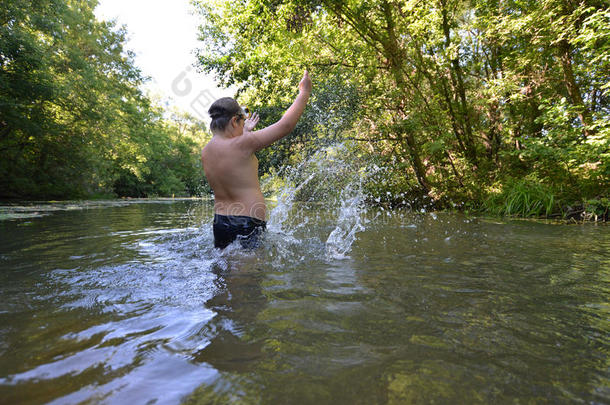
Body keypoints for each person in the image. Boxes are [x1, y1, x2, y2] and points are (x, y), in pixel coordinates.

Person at [202, 70, 312, 249]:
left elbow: (232, 158)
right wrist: (304, 92)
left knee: (223, 273)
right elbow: (285, 125)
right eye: (242, 121)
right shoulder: (243, 144)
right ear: (234, 121)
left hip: (220, 223)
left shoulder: (206, 151)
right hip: (247, 222)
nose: (245, 125)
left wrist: (244, 132)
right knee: (250, 276)